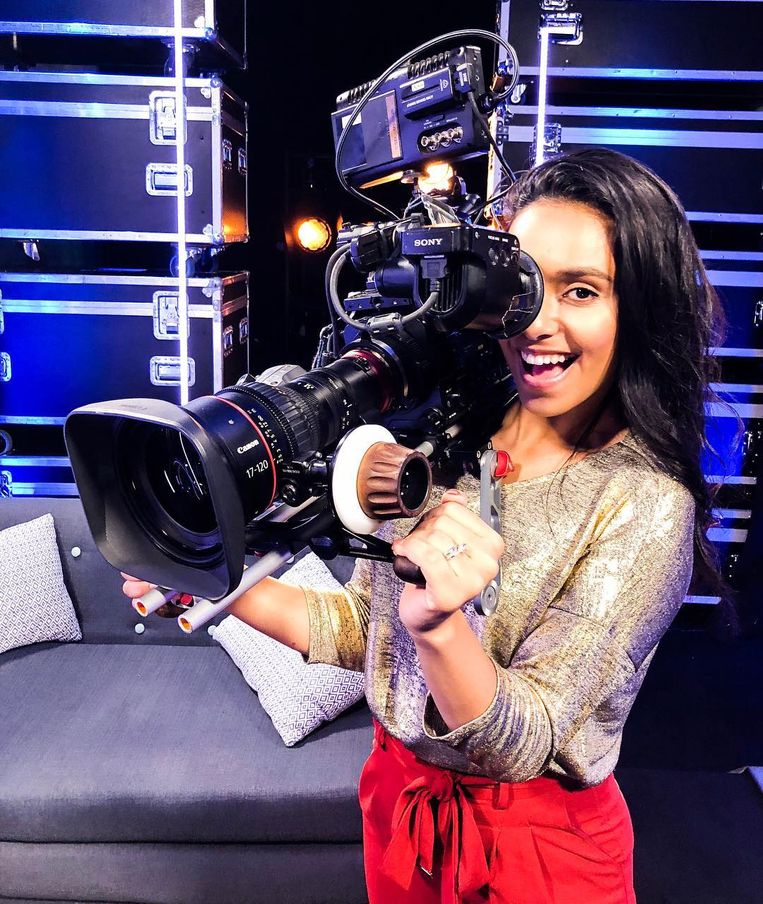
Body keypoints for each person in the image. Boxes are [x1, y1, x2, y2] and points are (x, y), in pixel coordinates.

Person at [123, 148, 727, 903]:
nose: (536, 323)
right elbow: (365, 629)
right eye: (522, 285)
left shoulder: (643, 502)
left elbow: (528, 738)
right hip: (401, 811)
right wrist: (212, 574)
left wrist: (441, 628)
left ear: (639, 307)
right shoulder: (450, 431)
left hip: (535, 850)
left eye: (581, 290)